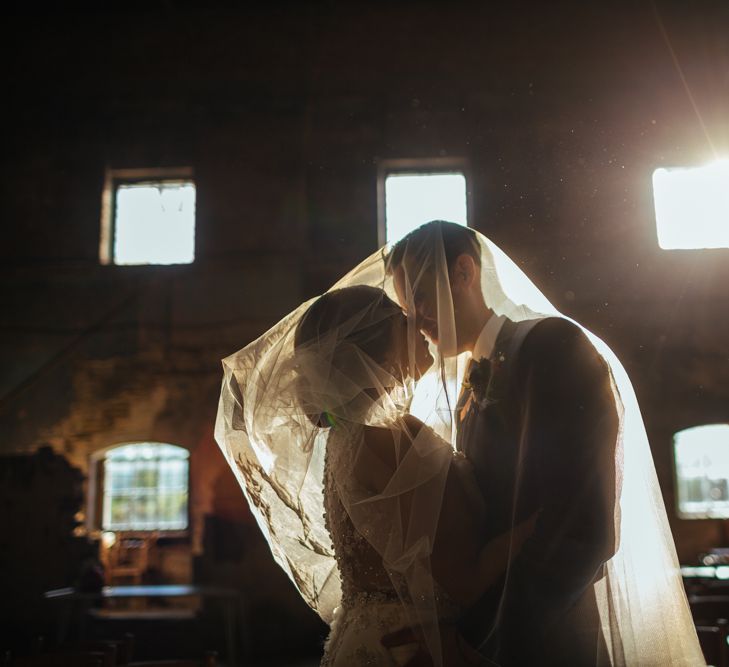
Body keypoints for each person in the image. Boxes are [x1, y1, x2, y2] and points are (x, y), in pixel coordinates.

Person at [215, 223, 702, 666]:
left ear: (464, 272)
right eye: (404, 311)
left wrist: (488, 638)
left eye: (422, 300)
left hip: (544, 635)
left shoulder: (552, 348)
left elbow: (586, 525)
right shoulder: (448, 396)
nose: (415, 321)